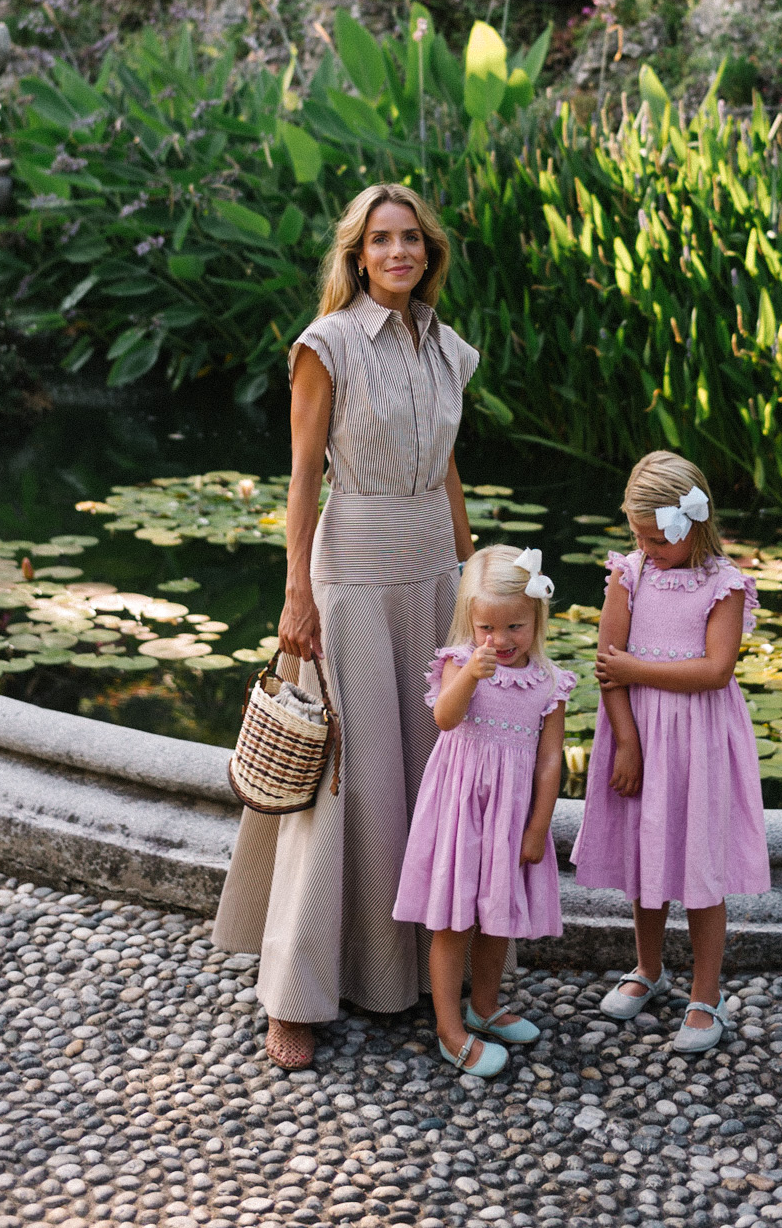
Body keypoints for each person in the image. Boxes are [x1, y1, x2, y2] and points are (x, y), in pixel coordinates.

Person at [211, 181, 482, 1072]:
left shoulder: (447, 347)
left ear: (428, 253)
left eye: (411, 239)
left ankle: (407, 974)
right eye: (381, 240)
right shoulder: (324, 345)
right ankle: (295, 993)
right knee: (344, 780)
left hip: (432, 571)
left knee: (430, 771)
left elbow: (446, 471)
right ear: (357, 255)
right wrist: (297, 596)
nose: (398, 253)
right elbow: (300, 481)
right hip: (353, 572)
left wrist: (474, 577)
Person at [571, 450, 770, 1054]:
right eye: (640, 536)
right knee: (644, 854)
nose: (648, 548)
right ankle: (647, 968)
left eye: (658, 538)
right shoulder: (628, 575)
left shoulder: (724, 585)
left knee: (700, 864)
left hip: (700, 741)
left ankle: (705, 995)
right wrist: (626, 743)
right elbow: (608, 669)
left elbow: (715, 670)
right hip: (639, 734)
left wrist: (637, 666)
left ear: (693, 526)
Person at [393, 544, 575, 1077]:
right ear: (469, 623)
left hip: (511, 819)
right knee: (453, 921)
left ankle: (486, 1006)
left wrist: (538, 826)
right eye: (486, 629)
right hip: (459, 812)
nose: (500, 642)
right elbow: (444, 720)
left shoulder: (549, 683)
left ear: (537, 618)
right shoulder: (457, 663)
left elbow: (548, 762)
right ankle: (450, 1030)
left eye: (515, 627)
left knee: (497, 920)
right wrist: (471, 673)